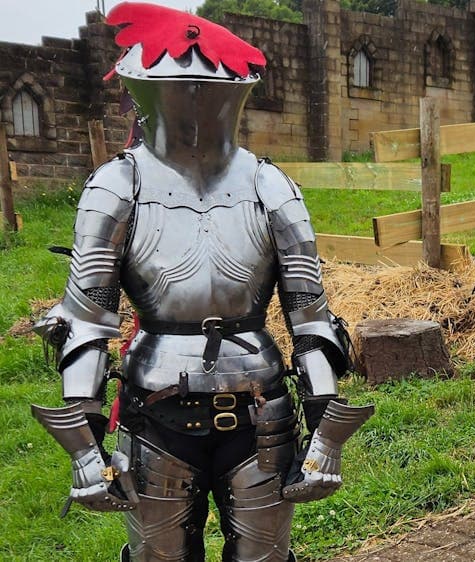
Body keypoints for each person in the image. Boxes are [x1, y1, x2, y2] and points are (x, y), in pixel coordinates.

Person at [30, 3, 372, 561]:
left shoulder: (270, 187)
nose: (193, 103)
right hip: (155, 412)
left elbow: (311, 319)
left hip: (261, 413)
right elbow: (85, 323)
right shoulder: (118, 186)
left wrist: (325, 436)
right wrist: (86, 451)